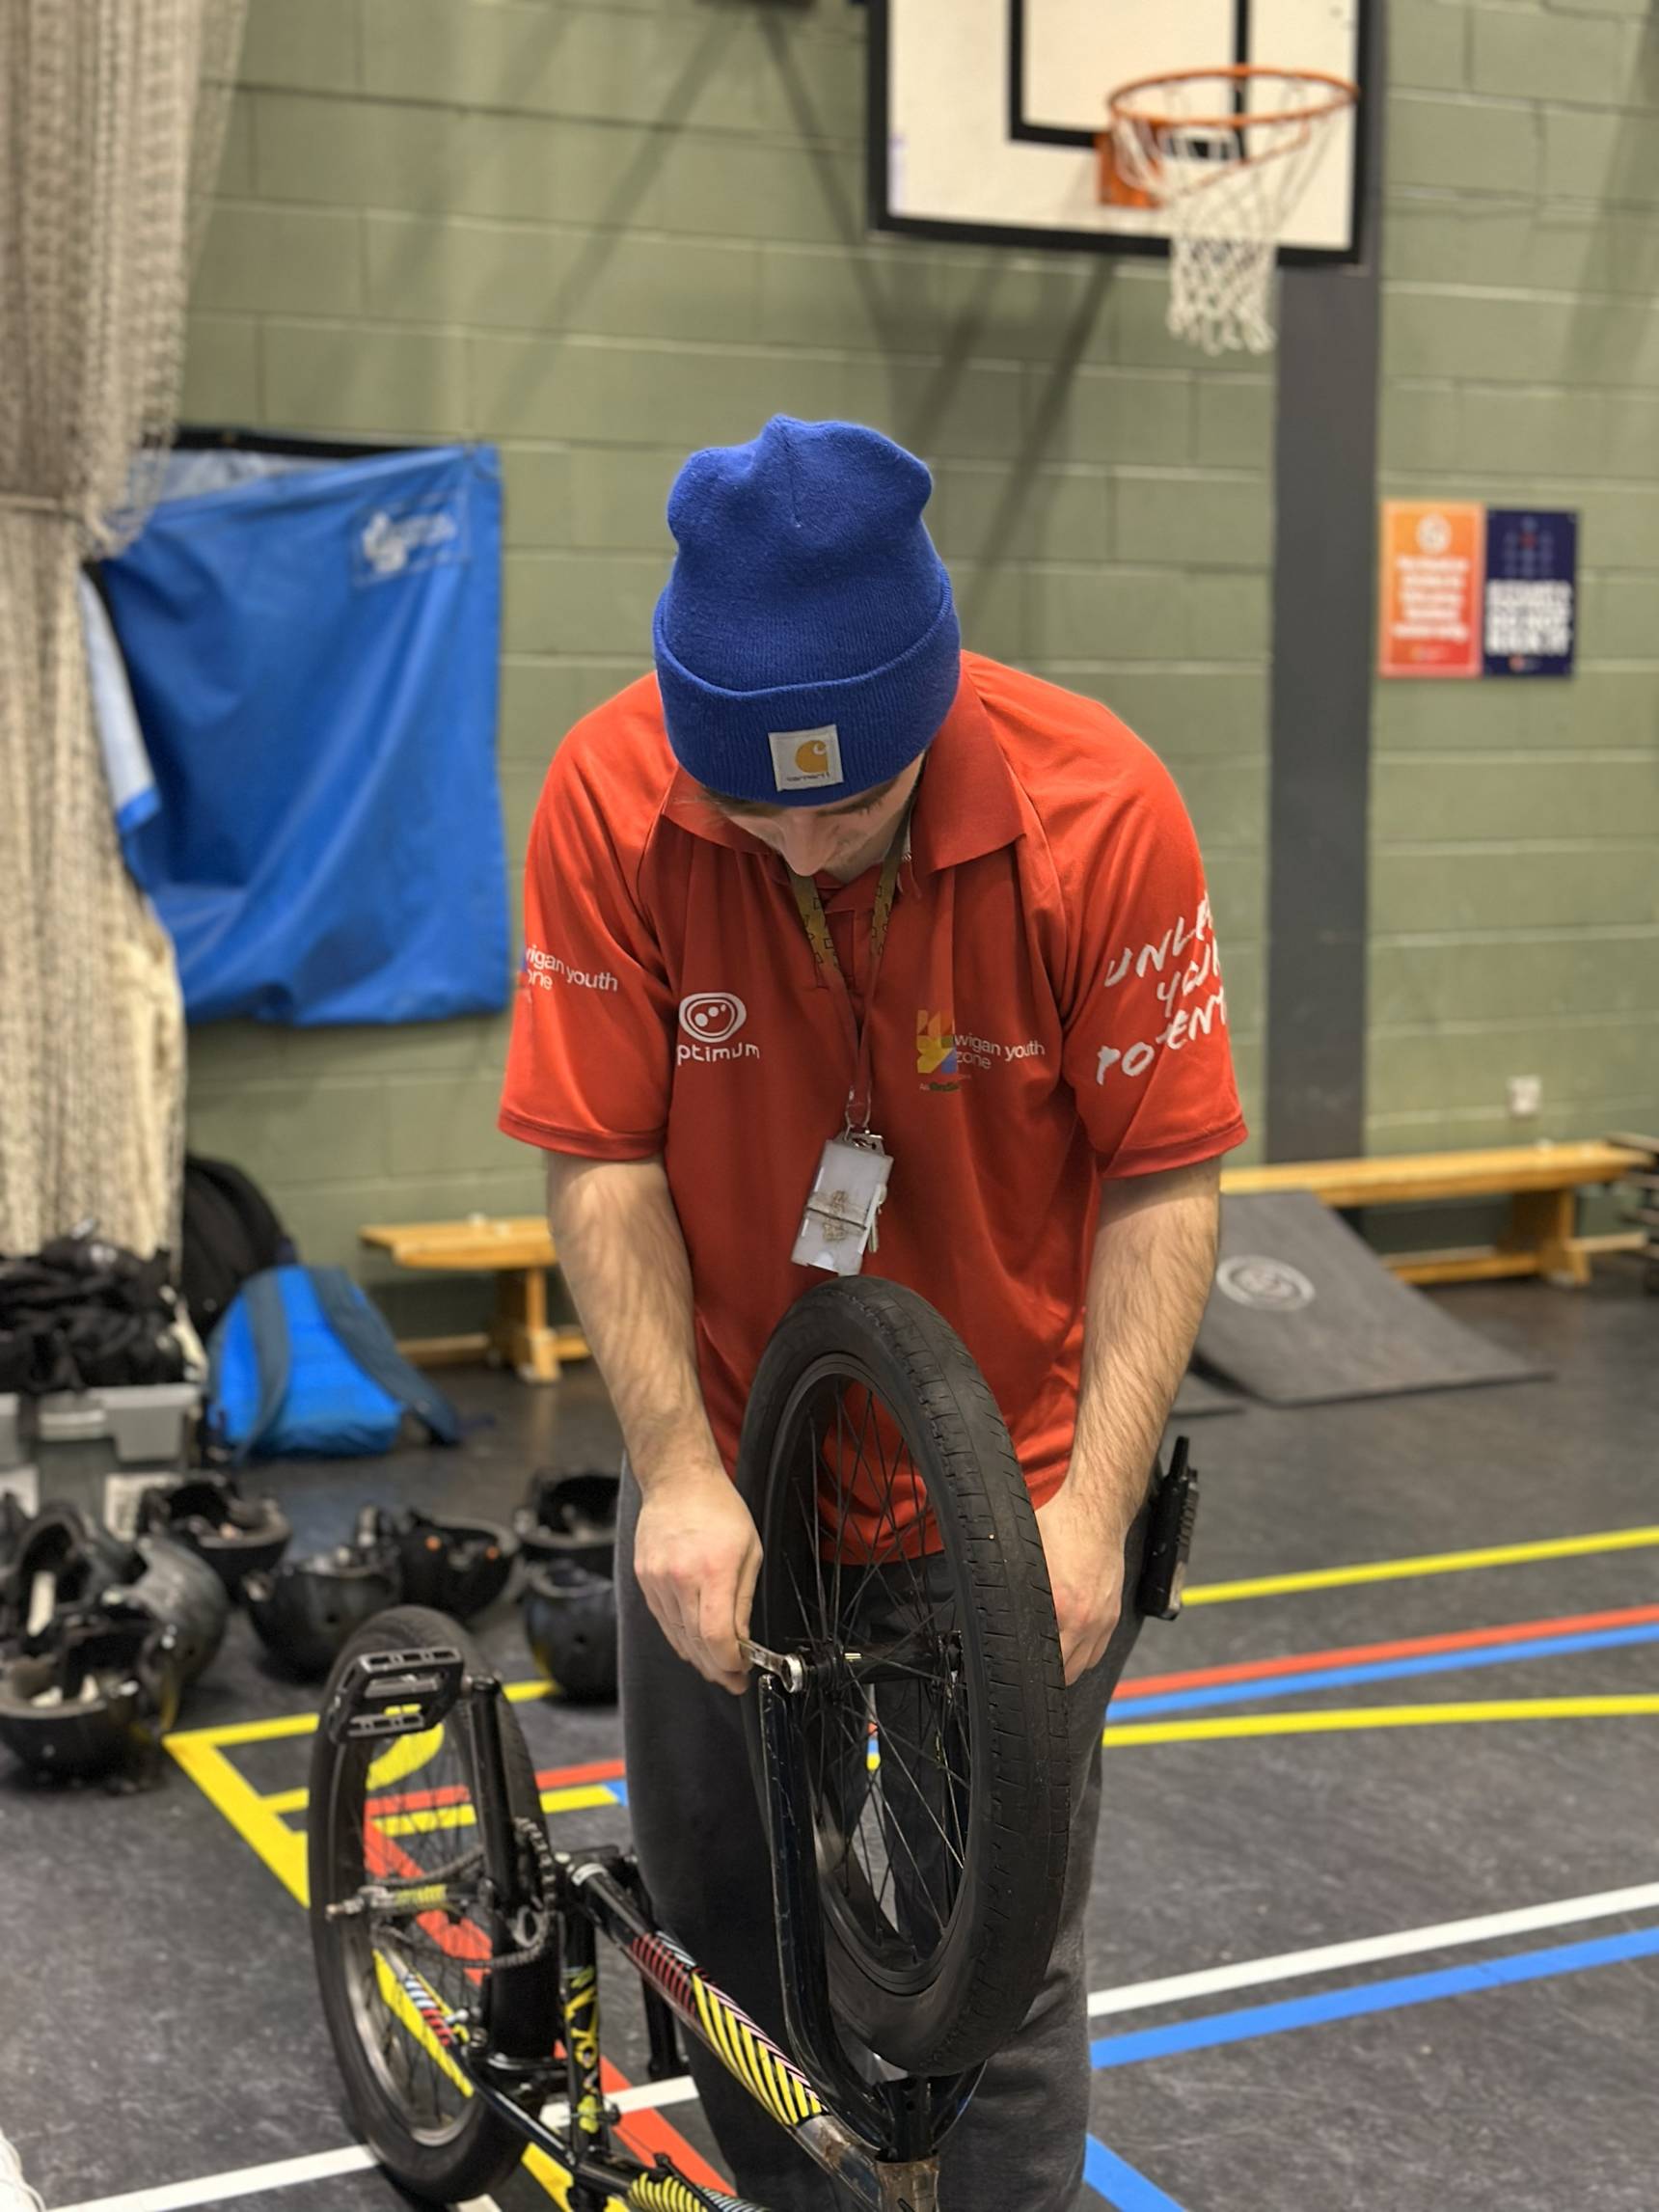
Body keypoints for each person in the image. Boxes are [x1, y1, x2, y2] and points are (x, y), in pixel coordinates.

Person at [499, 416, 1245, 2209]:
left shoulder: (1102, 809)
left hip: (1013, 1489)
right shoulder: (609, 801)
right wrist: (674, 1471)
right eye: (754, 801)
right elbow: (600, 1154)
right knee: (731, 1917)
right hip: (735, 1477)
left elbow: (1164, 1174)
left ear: (930, 703)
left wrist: (1086, 1515)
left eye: (850, 797)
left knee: (989, 1980)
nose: (805, 839)